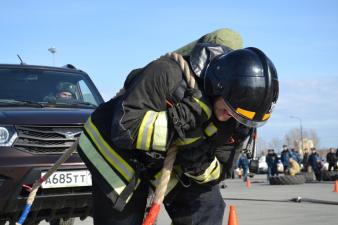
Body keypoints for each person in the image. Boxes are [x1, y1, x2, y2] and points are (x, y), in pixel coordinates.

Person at [77, 29, 279, 225]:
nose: (230, 119)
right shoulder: (167, 73)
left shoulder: (239, 122)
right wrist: (178, 120)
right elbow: (124, 129)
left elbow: (221, 170)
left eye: (239, 118)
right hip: (116, 153)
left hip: (165, 161)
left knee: (208, 206)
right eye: (229, 110)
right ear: (221, 86)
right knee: (126, 216)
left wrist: (199, 164)